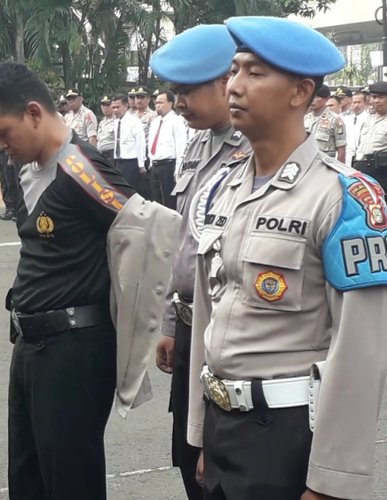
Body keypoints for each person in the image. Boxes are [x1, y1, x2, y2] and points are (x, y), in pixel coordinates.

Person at [189, 16, 387, 500]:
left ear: (300, 92)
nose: (234, 85)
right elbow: (208, 313)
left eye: (254, 73)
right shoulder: (221, 187)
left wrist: (331, 480)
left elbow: (362, 349)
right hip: (222, 429)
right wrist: (200, 433)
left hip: (288, 436)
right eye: (233, 71)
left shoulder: (346, 199)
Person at [0, 62, 135, 500]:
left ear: (33, 113)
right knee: (27, 477)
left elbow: (151, 234)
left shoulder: (83, 170)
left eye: (5, 133)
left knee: (69, 481)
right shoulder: (30, 168)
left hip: (74, 349)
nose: (2, 146)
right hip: (31, 345)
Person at [149, 24, 250, 500]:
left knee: (226, 464)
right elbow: (184, 244)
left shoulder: (255, 148)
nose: (180, 101)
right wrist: (171, 321)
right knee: (190, 458)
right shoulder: (198, 144)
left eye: (188, 89)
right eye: (175, 91)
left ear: (227, 80)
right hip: (191, 326)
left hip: (231, 331)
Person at [354, 81, 387, 190]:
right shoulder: (368, 119)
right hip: (362, 170)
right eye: (373, 97)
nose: (376, 101)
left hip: (381, 174)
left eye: (381, 97)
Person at [304, 84, 346, 162]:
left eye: (317, 97)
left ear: (326, 99)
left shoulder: (335, 120)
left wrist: (340, 171)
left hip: (325, 165)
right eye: (311, 96)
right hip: (307, 164)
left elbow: (341, 152)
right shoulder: (305, 119)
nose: (312, 100)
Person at [96, 95, 116, 163]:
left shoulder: (117, 121)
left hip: (112, 154)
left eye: (107, 105)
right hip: (101, 154)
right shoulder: (102, 122)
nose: (105, 107)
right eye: (103, 105)